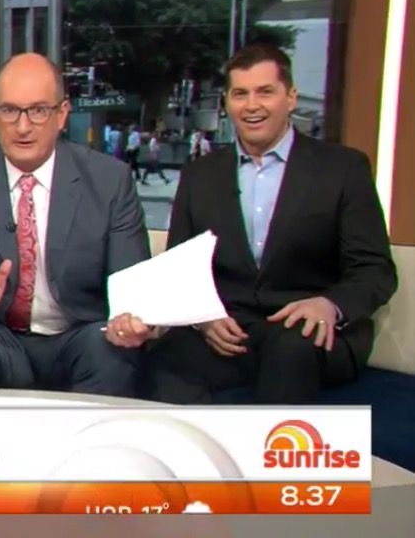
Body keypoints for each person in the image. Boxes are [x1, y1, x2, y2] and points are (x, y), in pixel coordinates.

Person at [147, 44, 397, 404]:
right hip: (229, 329)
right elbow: (180, 268)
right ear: (228, 102)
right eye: (240, 94)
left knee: (289, 351)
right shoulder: (199, 175)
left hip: (306, 328)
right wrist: (203, 318)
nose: (252, 106)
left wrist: (330, 305)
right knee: (164, 360)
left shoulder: (343, 169)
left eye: (265, 92)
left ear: (290, 97)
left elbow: (374, 269)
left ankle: (266, 443)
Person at [0, 53, 154, 396]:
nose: (22, 127)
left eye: (37, 110)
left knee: (111, 353)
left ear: (61, 114)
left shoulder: (110, 180)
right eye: (9, 110)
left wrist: (130, 318)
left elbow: (132, 286)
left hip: (80, 332)